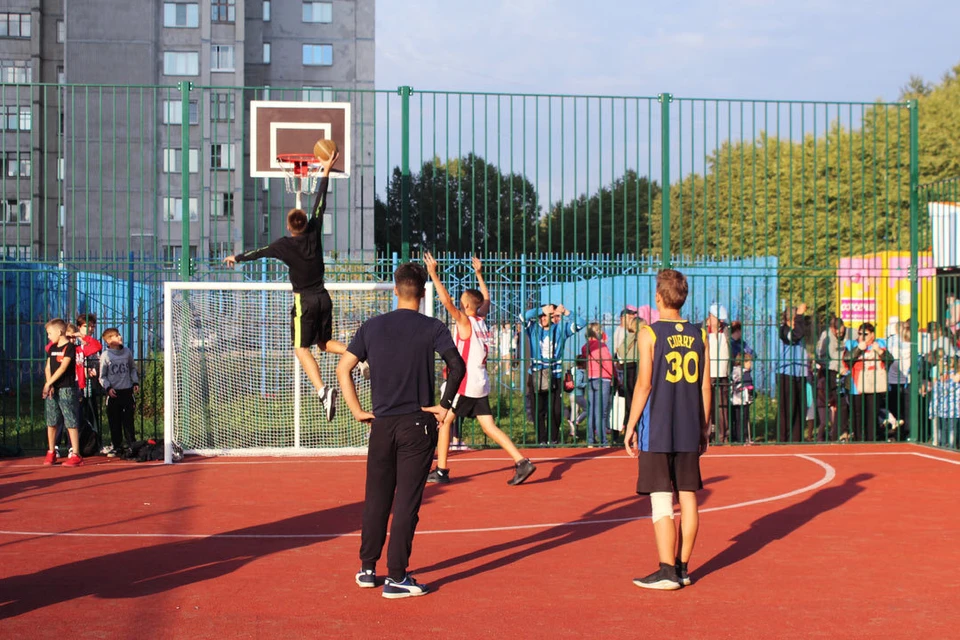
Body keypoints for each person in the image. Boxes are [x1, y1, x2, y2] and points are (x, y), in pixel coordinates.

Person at [336, 262, 466, 599]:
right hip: (417, 424)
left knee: (377, 498)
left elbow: (343, 367)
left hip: (380, 425)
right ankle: (397, 576)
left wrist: (356, 411)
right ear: (422, 294)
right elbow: (457, 365)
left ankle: (367, 568)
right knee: (406, 502)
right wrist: (445, 404)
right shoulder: (432, 327)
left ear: (395, 290)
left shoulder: (372, 327)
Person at [224, 150, 345, 421]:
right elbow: (320, 201)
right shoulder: (314, 230)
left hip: (306, 301)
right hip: (324, 297)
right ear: (305, 222)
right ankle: (358, 355)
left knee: (301, 348)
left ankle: (323, 391)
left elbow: (261, 251)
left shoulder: (283, 244)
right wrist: (325, 170)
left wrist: (238, 257)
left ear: (290, 227)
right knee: (324, 343)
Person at [624, 269, 711, 590]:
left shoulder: (650, 333)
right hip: (690, 426)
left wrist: (630, 425)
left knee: (661, 498)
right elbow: (705, 387)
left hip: (658, 427)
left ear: (658, 298)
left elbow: (644, 384)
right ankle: (684, 567)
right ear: (684, 298)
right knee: (688, 497)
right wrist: (704, 427)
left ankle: (666, 571)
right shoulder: (700, 335)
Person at [423, 253, 535, 486]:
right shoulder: (482, 319)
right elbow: (487, 299)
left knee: (444, 421)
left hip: (464, 383)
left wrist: (433, 274)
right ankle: (521, 461)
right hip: (480, 381)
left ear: (465, 306)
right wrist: (479, 274)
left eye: (462, 300)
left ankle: (442, 470)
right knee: (488, 426)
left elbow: (447, 303)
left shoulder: (465, 321)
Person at [523, 302, 586, 444]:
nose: (544, 318)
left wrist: (566, 312)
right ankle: (542, 440)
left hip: (555, 375)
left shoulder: (560, 330)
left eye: (547, 316)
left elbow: (581, 323)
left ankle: (553, 438)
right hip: (537, 374)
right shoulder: (533, 328)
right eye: (542, 316)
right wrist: (540, 310)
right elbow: (522, 317)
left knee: (556, 410)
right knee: (538, 410)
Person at [42, 319, 84, 467]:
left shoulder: (70, 347)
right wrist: (50, 384)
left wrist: (48, 383)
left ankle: (76, 454)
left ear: (60, 332)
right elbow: (48, 367)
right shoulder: (51, 348)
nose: (48, 336)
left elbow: (63, 367)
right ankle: (51, 451)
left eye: (50, 333)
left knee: (70, 421)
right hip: (53, 389)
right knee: (51, 421)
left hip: (67, 389)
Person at [843, 322, 892, 441]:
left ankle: (871, 439)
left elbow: (890, 360)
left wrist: (880, 351)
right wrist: (859, 349)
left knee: (872, 413)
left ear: (872, 335)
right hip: (856, 383)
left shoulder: (880, 343)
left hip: (873, 382)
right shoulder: (852, 344)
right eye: (860, 333)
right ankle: (858, 439)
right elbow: (847, 359)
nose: (862, 336)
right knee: (857, 414)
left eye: (865, 334)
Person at [99, 328, 140, 453]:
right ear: (109, 341)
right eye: (116, 336)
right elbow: (102, 376)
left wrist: (135, 381)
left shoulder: (127, 352)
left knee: (128, 420)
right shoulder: (106, 355)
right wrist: (108, 388)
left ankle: (131, 444)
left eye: (119, 334)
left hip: (127, 391)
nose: (120, 337)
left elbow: (132, 368)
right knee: (114, 421)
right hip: (114, 393)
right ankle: (117, 445)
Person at [777, 304, 809, 443]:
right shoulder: (784, 330)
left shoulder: (798, 327)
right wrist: (800, 316)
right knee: (788, 410)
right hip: (787, 372)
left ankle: (797, 439)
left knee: (800, 409)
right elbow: (796, 336)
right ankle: (784, 440)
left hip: (800, 372)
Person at [582, 322, 615, 447]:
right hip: (603, 379)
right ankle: (603, 440)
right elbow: (607, 363)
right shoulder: (602, 346)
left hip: (590, 377)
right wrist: (613, 376)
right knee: (601, 412)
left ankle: (590, 440)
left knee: (591, 411)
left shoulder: (585, 347)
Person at [815, 316, 847, 441]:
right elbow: (826, 356)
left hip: (845, 371)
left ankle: (842, 431)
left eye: (842, 332)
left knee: (844, 403)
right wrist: (839, 366)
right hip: (831, 372)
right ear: (832, 329)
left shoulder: (850, 333)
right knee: (836, 402)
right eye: (837, 332)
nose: (840, 334)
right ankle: (834, 433)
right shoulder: (826, 337)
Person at [705, 304, 731, 444]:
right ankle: (705, 436)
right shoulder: (702, 330)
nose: (720, 321)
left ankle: (723, 436)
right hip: (707, 374)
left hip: (722, 374)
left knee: (722, 407)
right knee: (706, 406)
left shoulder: (726, 330)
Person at [729, 353, 755, 444]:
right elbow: (748, 385)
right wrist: (751, 389)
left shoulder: (735, 371)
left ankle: (738, 437)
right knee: (743, 418)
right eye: (749, 362)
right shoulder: (744, 373)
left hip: (736, 398)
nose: (750, 364)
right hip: (743, 399)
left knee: (738, 418)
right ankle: (742, 438)